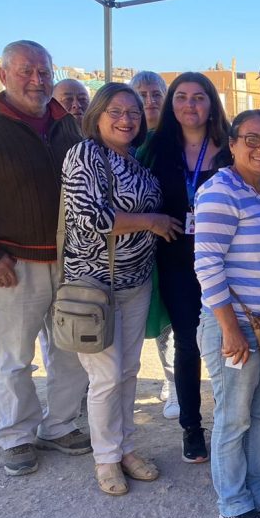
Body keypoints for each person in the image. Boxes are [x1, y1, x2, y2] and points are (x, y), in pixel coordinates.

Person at [0, 40, 90, 476]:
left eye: (44, 72)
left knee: (71, 348)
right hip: (12, 263)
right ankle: (17, 434)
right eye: (26, 71)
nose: (37, 80)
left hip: (68, 259)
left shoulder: (65, 123)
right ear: (3, 76)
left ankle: (59, 425)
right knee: (15, 355)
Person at [61, 82, 181, 495]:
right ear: (97, 115)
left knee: (128, 372)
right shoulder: (85, 154)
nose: (127, 118)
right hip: (93, 285)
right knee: (107, 377)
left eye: (133, 112)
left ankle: (127, 448)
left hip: (136, 282)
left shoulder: (136, 163)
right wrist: (151, 221)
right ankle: (106, 458)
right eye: (116, 110)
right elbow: (90, 216)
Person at [194, 109, 260, 518]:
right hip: (234, 327)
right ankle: (232, 502)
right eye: (251, 139)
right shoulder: (220, 191)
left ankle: (257, 490)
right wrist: (230, 329)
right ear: (231, 144)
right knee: (233, 420)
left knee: (257, 415)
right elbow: (207, 263)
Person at [139, 72, 232, 463]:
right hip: (176, 259)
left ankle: (231, 423)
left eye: (198, 97)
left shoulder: (231, 148)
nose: (190, 105)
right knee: (187, 342)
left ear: (212, 103)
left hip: (227, 260)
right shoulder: (155, 148)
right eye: (181, 97)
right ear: (170, 104)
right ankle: (192, 427)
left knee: (231, 338)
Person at [130, 69, 178, 419]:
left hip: (176, 239)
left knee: (176, 320)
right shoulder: (123, 138)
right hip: (135, 246)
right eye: (141, 94)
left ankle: (176, 384)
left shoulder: (174, 138)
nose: (148, 101)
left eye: (155, 94)